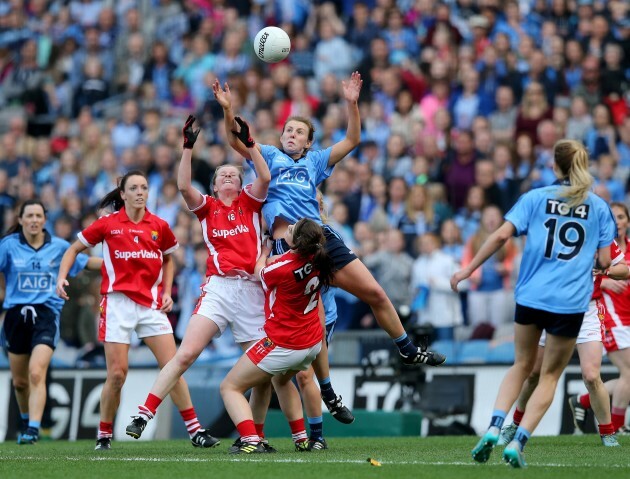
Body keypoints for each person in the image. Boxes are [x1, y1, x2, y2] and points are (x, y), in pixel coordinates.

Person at [214, 74, 445, 404]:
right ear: (281, 136)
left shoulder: (316, 160)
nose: (292, 134)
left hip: (321, 239)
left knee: (375, 293)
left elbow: (352, 140)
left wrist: (351, 104)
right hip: (287, 248)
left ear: (309, 142)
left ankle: (406, 348)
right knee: (312, 328)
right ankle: (324, 395)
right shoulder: (267, 154)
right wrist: (228, 109)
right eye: (289, 130)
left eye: (300, 132)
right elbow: (236, 141)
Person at [451, 139, 616, 468]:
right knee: (550, 377)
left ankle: (495, 427)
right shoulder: (598, 207)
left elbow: (499, 236)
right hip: (570, 302)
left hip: (531, 295)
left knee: (522, 366)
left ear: (554, 167)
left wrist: (468, 269)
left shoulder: (535, 198)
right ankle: (519, 442)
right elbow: (605, 258)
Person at [124, 115, 277, 451]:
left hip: (251, 291)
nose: (226, 176)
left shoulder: (249, 202)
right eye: (222, 174)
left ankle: (254, 435)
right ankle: (143, 414)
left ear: (239, 184)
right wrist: (187, 148)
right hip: (219, 288)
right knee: (186, 353)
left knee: (261, 372)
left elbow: (264, 175)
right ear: (215, 184)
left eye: (233, 175)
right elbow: (182, 186)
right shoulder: (206, 207)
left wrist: (250, 146)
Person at [56, 170, 218, 451]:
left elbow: (169, 260)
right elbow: (72, 251)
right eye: (134, 188)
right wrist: (61, 277)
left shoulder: (159, 225)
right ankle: (104, 435)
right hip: (117, 303)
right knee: (117, 375)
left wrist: (166, 292)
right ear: (123, 194)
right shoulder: (107, 224)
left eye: (144, 187)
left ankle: (195, 430)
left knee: (173, 368)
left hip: (151, 306)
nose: (141, 192)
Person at [220, 218, 336, 453]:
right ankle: (301, 438)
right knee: (281, 380)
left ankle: (250, 439)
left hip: (284, 343)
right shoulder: (318, 258)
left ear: (297, 242)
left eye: (292, 229)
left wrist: (264, 250)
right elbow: (287, 265)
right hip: (312, 343)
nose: (288, 228)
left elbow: (259, 271)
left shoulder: (282, 268)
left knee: (229, 386)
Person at [499, 240, 627, 447]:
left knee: (592, 375)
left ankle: (608, 433)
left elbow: (624, 270)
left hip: (589, 310)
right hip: (551, 307)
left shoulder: (600, 230)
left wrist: (604, 270)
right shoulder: (551, 228)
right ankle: (514, 424)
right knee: (533, 374)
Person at [0, 200, 102, 444]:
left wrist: (120, 263)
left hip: (46, 315)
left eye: (38, 215)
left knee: (37, 372)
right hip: (15, 317)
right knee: (21, 382)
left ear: (45, 220)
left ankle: (33, 429)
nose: (34, 220)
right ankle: (26, 421)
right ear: (21, 219)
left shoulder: (58, 247)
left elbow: (85, 263)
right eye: (30, 216)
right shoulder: (8, 246)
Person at [570, 202, 630, 434]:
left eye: (622, 217)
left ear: (627, 221)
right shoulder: (598, 246)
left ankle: (584, 401)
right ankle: (616, 426)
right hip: (610, 318)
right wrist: (604, 279)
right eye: (613, 218)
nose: (617, 222)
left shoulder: (623, 251)